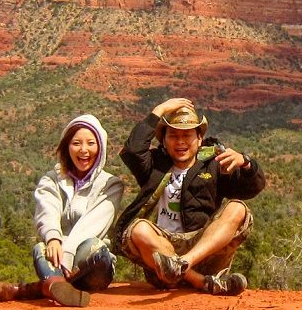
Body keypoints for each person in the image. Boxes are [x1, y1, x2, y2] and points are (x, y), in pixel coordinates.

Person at [112, 97, 265, 296]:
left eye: (187, 135)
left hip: (203, 250)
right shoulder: (155, 165)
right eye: (173, 135)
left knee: (238, 208)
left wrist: (246, 163)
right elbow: (133, 150)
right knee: (139, 229)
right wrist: (160, 109)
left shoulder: (214, 163)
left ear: (200, 139)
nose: (180, 142)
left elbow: (252, 188)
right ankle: (201, 282)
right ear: (164, 140)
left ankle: (183, 264)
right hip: (162, 255)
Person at [0, 114, 124, 308]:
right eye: (76, 143)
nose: (84, 150)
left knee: (93, 247)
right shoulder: (51, 180)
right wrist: (53, 238)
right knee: (41, 248)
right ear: (66, 147)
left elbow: (93, 224)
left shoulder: (111, 184)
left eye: (91, 143)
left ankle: (40, 288)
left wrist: (67, 253)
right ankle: (60, 289)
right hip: (58, 254)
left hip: (92, 265)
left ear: (101, 148)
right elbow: (48, 210)